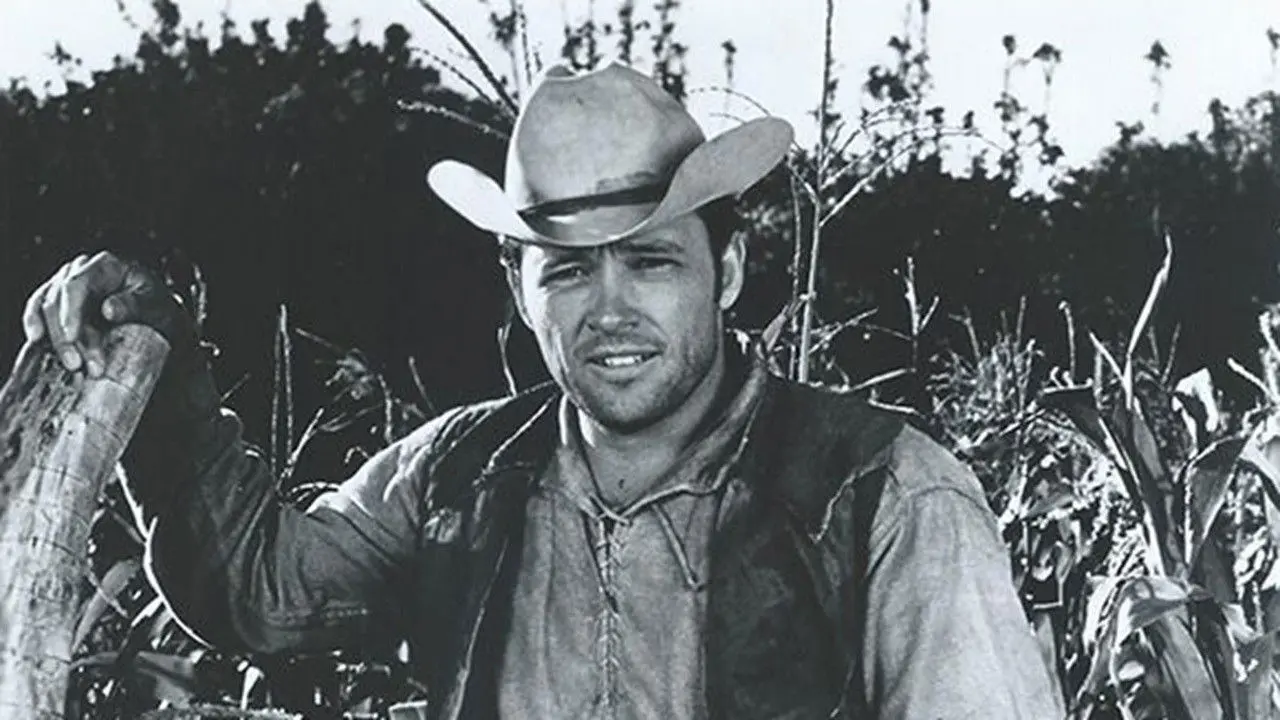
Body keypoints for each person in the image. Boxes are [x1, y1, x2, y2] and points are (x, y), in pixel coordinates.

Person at [23, 62, 1062, 719]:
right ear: (521, 292)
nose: (607, 309)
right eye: (566, 269)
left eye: (649, 261)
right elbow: (261, 593)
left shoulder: (884, 495)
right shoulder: (460, 476)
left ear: (728, 271)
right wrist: (155, 365)